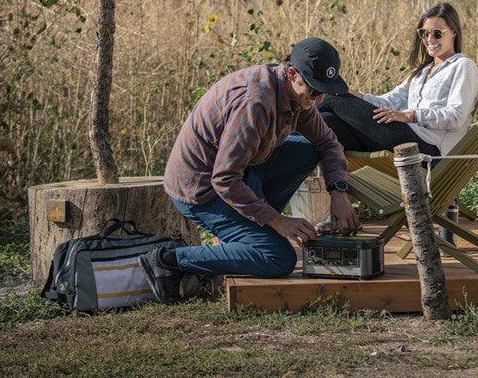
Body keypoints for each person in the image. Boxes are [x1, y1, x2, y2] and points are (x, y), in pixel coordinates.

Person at [139, 37, 359, 304]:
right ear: (292, 73)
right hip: (203, 189)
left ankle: (252, 233)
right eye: (314, 91)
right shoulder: (255, 103)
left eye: (326, 91)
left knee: (307, 149)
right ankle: (169, 260)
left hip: (244, 169)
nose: (319, 98)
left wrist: (338, 191)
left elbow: (328, 143)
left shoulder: (295, 96)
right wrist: (279, 221)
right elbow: (224, 179)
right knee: (278, 259)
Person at [318, 3, 478, 158]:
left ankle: (294, 116)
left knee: (330, 99)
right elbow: (387, 102)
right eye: (424, 33)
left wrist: (411, 115)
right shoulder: (420, 72)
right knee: (326, 121)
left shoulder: (463, 66)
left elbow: (456, 117)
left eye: (437, 33)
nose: (429, 39)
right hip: (400, 136)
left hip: (428, 147)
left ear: (454, 32)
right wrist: (350, 93)